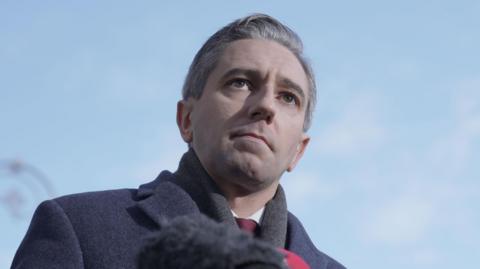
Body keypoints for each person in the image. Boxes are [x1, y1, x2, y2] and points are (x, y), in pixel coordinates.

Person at [12, 14, 346, 269]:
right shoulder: (78, 226)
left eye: (288, 97)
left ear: (299, 151)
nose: (265, 106)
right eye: (241, 82)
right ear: (186, 119)